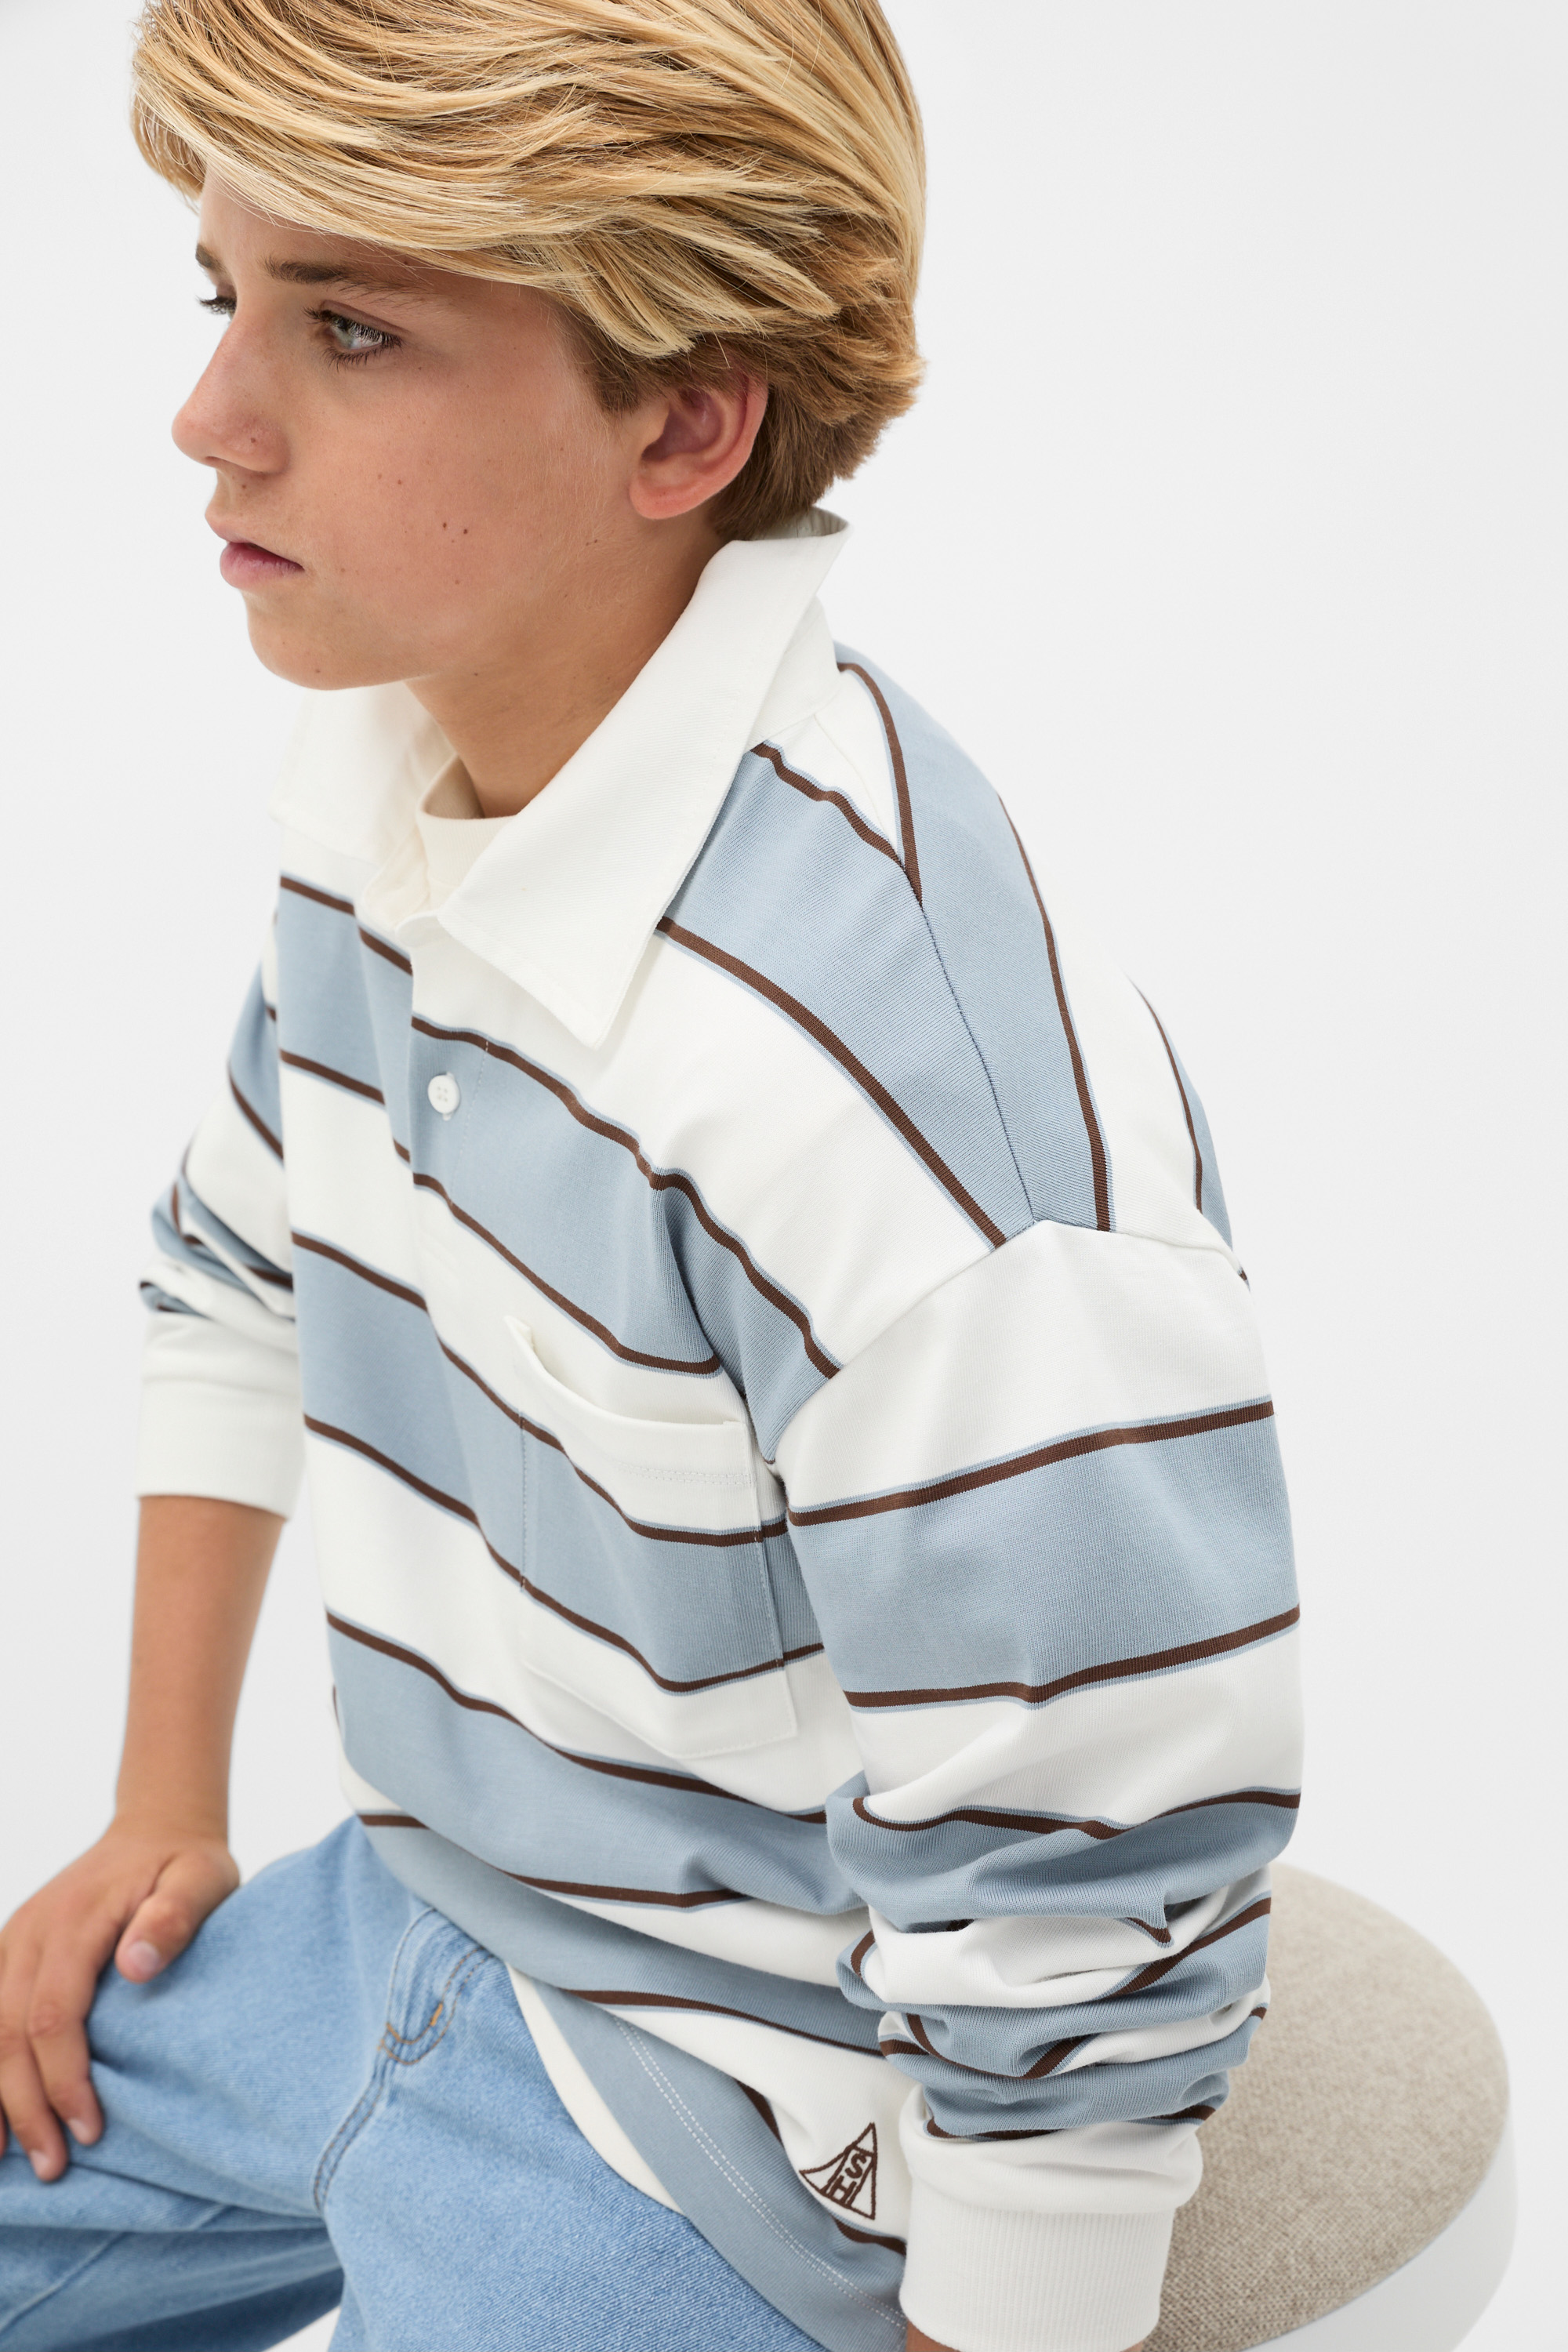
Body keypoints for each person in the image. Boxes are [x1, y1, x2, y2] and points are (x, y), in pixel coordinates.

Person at [0, 4, 1301, 2348]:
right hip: (408, 1916)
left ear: (685, 423)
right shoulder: (396, 786)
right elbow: (242, 1271)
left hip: (745, 2109)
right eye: (226, 296)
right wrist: (158, 1803)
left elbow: (1105, 1859)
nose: (210, 415)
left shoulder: (896, 1100)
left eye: (351, 330)